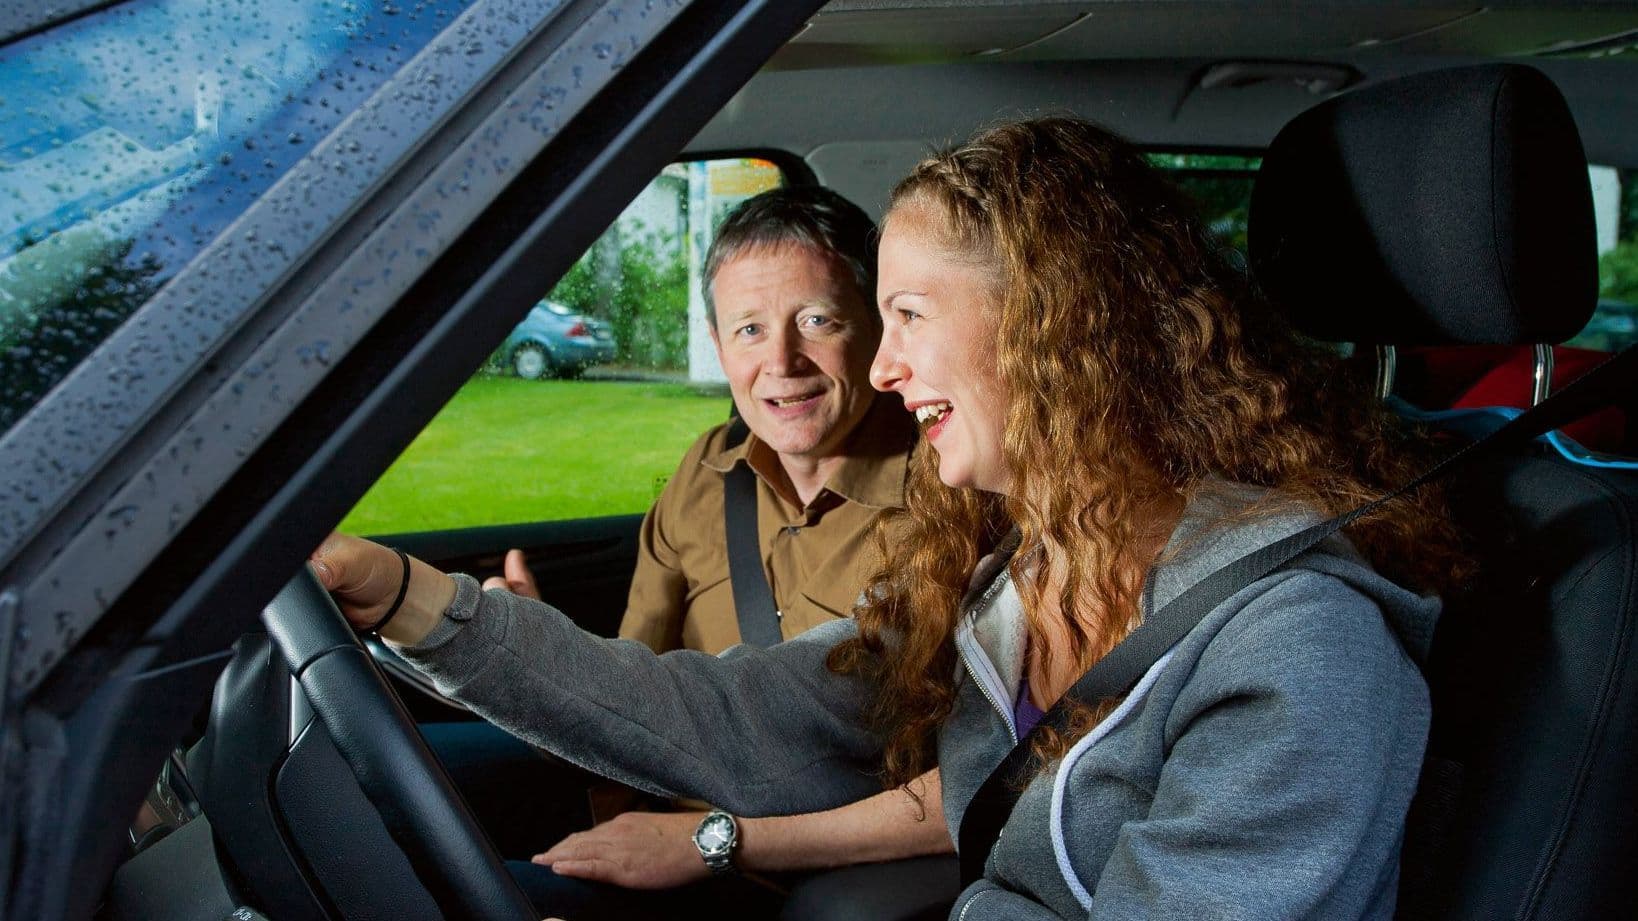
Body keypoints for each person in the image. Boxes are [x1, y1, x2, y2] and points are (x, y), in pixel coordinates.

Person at [315, 116, 1464, 918]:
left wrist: (719, 847)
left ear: (1054, 329)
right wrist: (409, 599)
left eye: (905, 314)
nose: (884, 364)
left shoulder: (1300, 649)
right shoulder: (1012, 575)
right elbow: (727, 711)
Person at [425, 185, 954, 920]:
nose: (782, 360)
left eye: (817, 320)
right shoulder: (708, 470)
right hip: (642, 801)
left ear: (876, 328)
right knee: (371, 797)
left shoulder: (947, 502)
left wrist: (706, 839)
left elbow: (934, 772)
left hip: (779, 866)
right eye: (748, 329)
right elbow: (625, 692)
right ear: (715, 341)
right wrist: (542, 645)